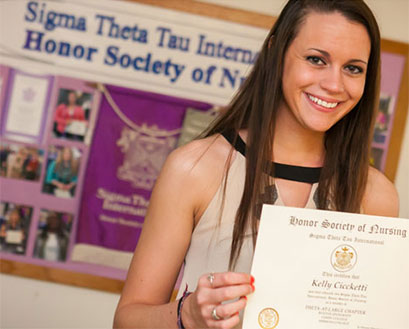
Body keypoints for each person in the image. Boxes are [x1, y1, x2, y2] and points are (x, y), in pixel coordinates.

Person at [114, 1, 399, 328]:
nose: (334, 85)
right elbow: (127, 319)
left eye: (353, 68)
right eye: (316, 59)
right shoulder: (194, 169)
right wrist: (186, 315)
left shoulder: (377, 197)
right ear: (276, 50)